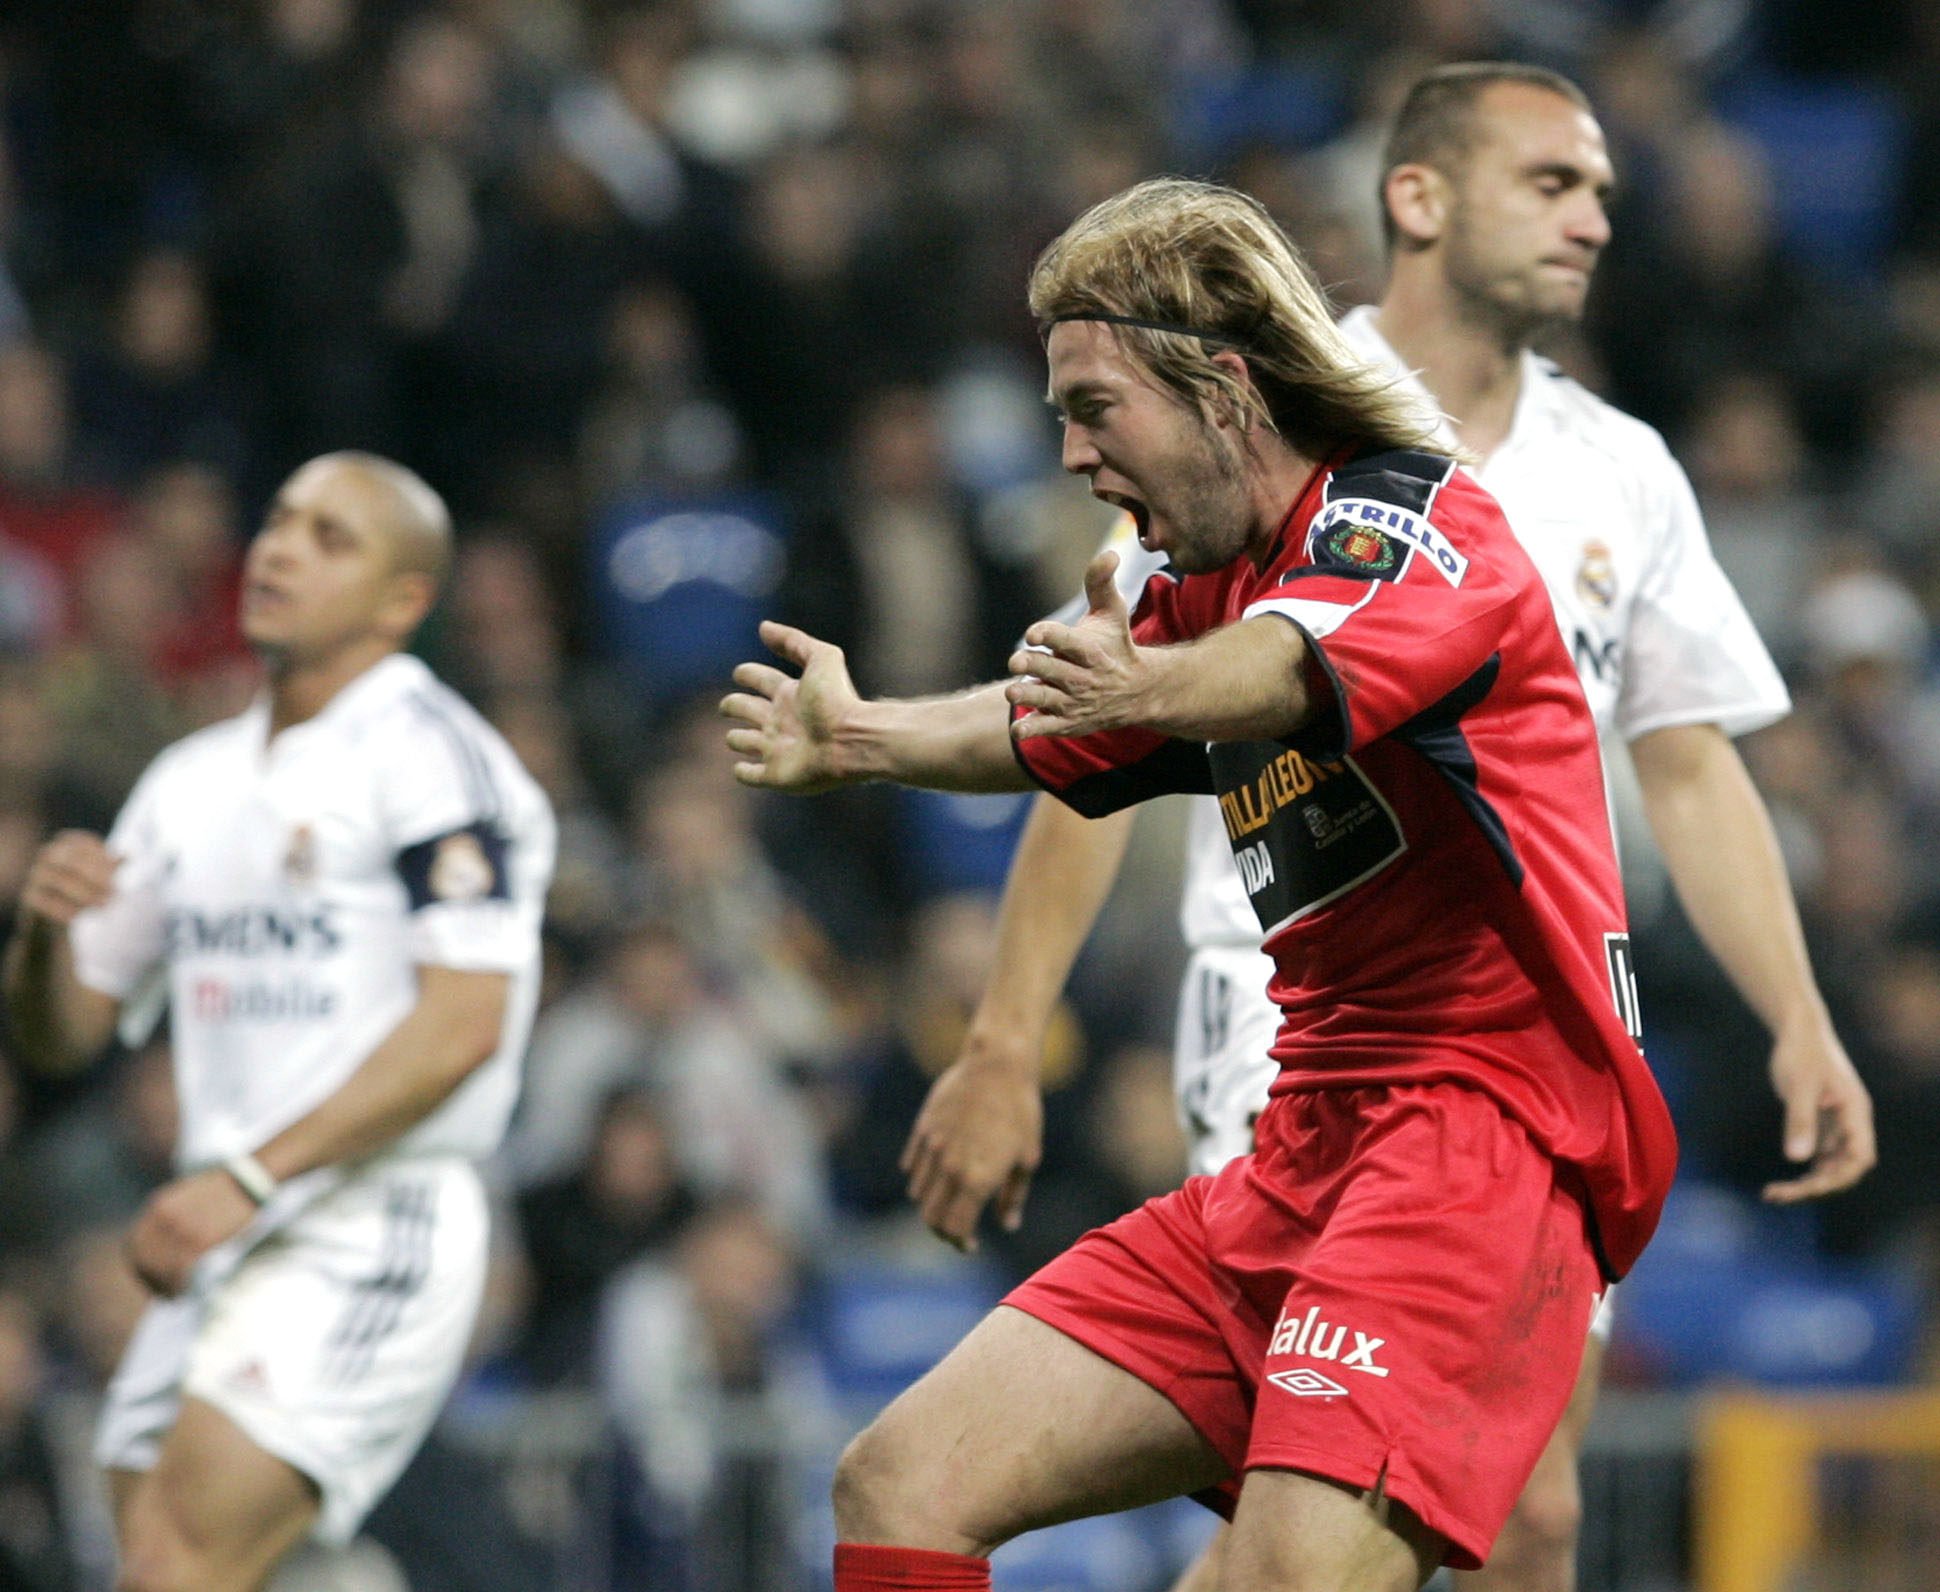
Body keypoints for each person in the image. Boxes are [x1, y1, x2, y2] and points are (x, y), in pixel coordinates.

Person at [896, 62, 1878, 1592]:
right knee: (1344, 1529)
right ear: (1419, 198)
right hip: (1297, 1033)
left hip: (1514, 1048)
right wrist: (1007, 1035)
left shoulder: (1623, 468)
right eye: (1553, 183)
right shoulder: (1224, 409)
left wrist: (1801, 1019)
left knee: (1493, 1521)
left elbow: (1685, 768)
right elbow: (1110, 708)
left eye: (1605, 193)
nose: (1595, 220)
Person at [723, 175, 1677, 1591]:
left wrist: (1153, 684)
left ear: (1223, 389)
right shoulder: (1198, 586)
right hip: (1303, 1143)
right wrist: (864, 736)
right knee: (902, 1481)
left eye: (1095, 408)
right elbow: (1051, 730)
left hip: (1479, 1140)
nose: (1069, 453)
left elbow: (1283, 670)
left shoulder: (1419, 530)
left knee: (1296, 1577)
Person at [2, 452, 556, 1592]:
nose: (280, 549)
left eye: (329, 536)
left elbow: (462, 1027)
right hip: (217, 1226)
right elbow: (64, 1034)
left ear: (404, 599)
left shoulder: (436, 761)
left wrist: (247, 1177)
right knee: (233, 1566)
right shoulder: (189, 780)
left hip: (366, 1216)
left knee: (173, 1565)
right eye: (278, 520)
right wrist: (45, 934)